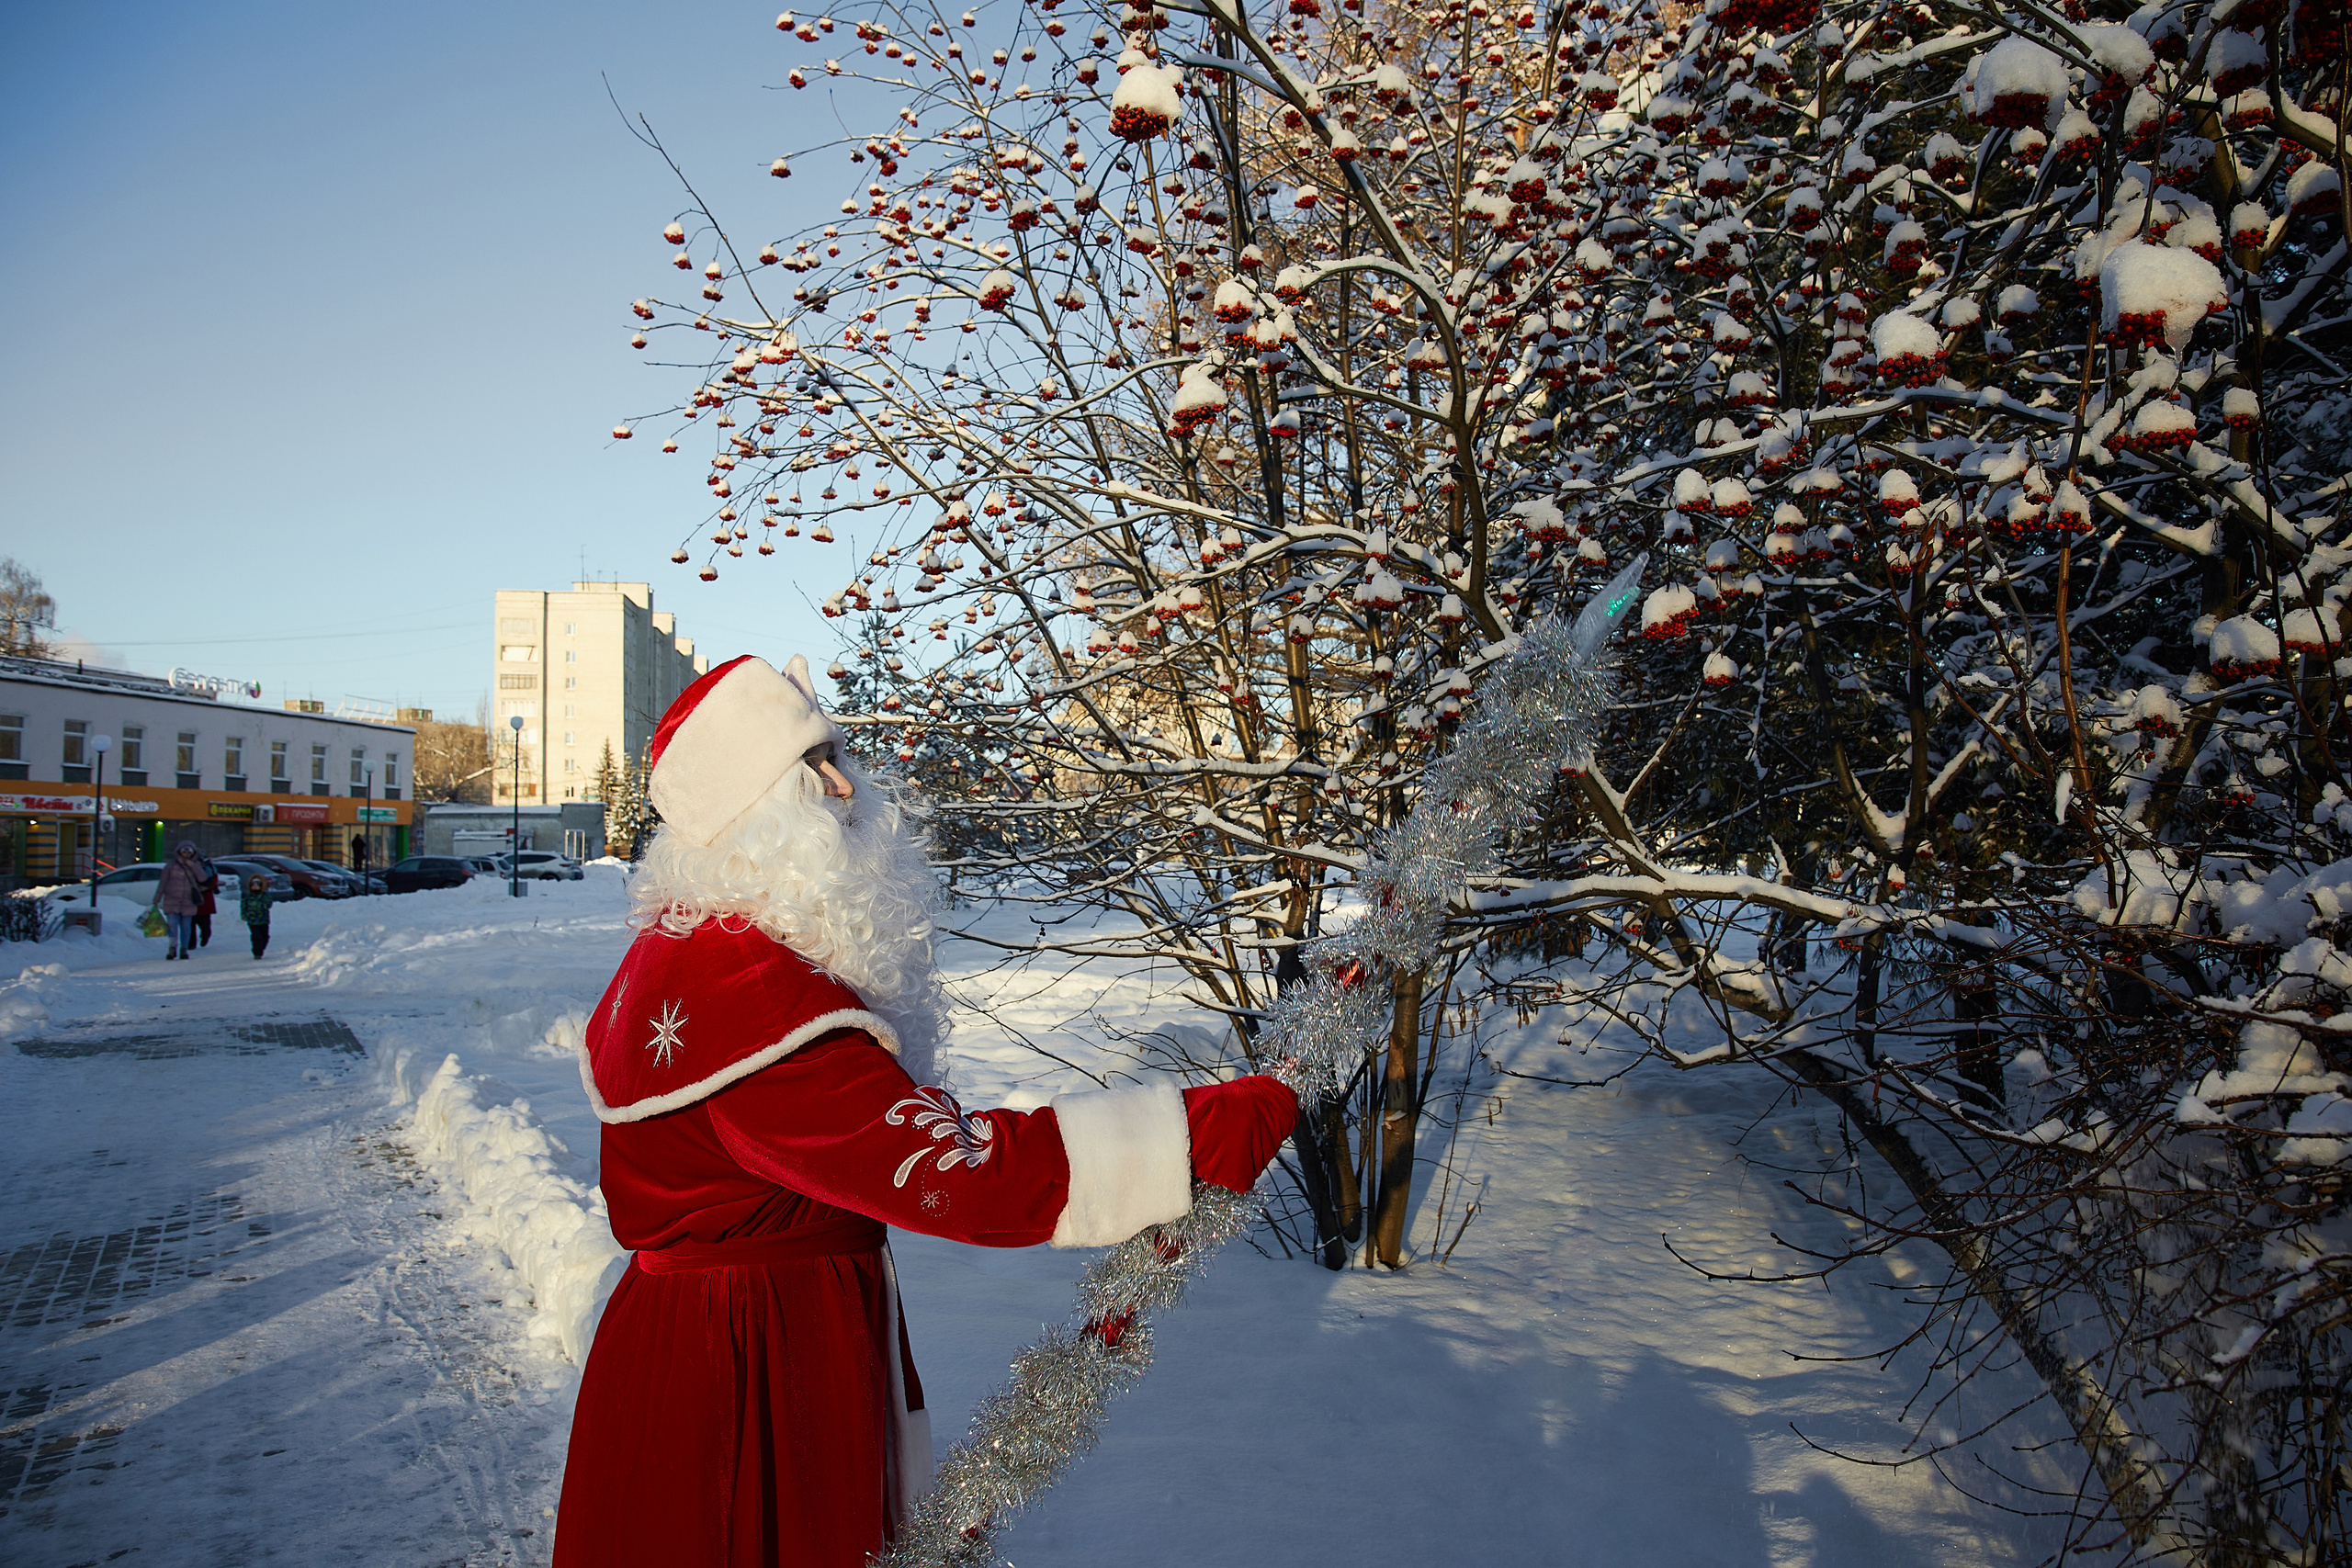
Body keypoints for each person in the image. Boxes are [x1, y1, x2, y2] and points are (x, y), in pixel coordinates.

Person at [555, 655, 1295, 1568]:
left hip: (699, 1339)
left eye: (836, 755)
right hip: (748, 1366)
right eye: (811, 767)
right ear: (749, 811)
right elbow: (960, 1174)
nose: (845, 786)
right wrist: (1195, 1131)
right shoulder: (751, 998)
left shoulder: (687, 949)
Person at [152, 840, 208, 960]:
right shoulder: (171, 866)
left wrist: (193, 866)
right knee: (172, 926)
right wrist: (157, 898)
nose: (186, 854)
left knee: (186, 927)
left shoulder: (194, 865)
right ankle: (172, 948)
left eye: (189, 852)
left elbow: (203, 878)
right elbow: (163, 883)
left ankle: (184, 949)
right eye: (184, 851)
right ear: (179, 852)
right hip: (172, 900)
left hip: (188, 901)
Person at [239, 872, 272, 959]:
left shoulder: (264, 896)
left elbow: (268, 904)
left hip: (263, 920)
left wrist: (261, 905)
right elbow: (243, 906)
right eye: (253, 886)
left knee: (265, 936)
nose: (255, 887)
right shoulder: (248, 897)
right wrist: (244, 915)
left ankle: (261, 948)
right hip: (252, 920)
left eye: (257, 886)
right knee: (256, 936)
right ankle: (257, 952)